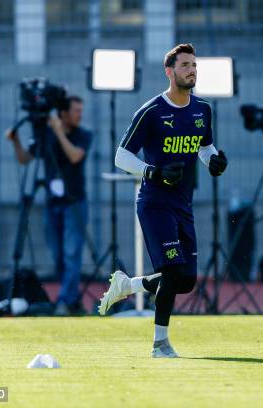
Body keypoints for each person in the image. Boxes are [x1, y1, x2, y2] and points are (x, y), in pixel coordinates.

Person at [98, 43, 228, 358]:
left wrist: (212, 161)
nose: (192, 70)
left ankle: (128, 286)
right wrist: (151, 172)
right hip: (154, 202)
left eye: (194, 65)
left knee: (185, 282)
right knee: (172, 271)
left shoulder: (203, 110)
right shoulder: (152, 111)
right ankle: (160, 345)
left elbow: (204, 147)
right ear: (169, 72)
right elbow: (120, 156)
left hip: (183, 203)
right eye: (185, 65)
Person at [6, 95, 93, 316]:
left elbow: (74, 156)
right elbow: (25, 159)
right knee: (58, 255)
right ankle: (70, 299)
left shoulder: (83, 135)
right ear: (63, 113)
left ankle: (64, 301)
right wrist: (16, 140)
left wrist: (58, 131)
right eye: (75, 110)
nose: (79, 115)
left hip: (74, 203)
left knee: (72, 252)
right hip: (52, 204)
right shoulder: (45, 134)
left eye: (80, 111)